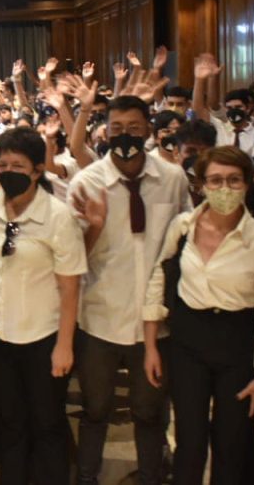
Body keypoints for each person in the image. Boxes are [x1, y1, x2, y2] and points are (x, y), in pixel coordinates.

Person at [69, 95, 191, 485]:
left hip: (155, 323)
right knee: (95, 408)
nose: (125, 137)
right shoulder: (87, 183)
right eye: (117, 129)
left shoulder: (172, 179)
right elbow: (71, 260)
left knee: (149, 411)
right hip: (99, 318)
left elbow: (184, 240)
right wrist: (93, 228)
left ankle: (151, 475)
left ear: (149, 131)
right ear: (105, 132)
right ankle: (87, 476)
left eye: (134, 129)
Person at [142, 146, 254, 484]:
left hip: (238, 342)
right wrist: (150, 346)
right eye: (215, 180)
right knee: (189, 438)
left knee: (231, 441)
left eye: (234, 180)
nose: (224, 189)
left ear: (248, 184)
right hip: (188, 340)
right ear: (201, 185)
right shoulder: (183, 226)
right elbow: (158, 279)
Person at [0, 126, 84, 484]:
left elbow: (70, 288)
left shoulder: (57, 216)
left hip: (44, 337)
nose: (8, 172)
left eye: (19, 166)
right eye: (2, 164)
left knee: (47, 422)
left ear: (38, 170)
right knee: (10, 419)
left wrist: (64, 346)